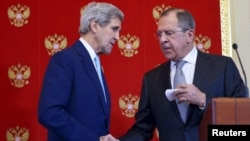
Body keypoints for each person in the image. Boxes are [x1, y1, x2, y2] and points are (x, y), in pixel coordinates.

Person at [118, 8, 246, 141]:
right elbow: (143, 129)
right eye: (159, 34)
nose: (162, 40)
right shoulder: (152, 79)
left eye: (169, 33)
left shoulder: (222, 66)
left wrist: (203, 100)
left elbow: (241, 115)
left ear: (189, 35)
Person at [38, 2, 124, 141]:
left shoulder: (94, 63)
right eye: (114, 29)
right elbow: (50, 112)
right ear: (94, 26)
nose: (118, 37)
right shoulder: (65, 60)